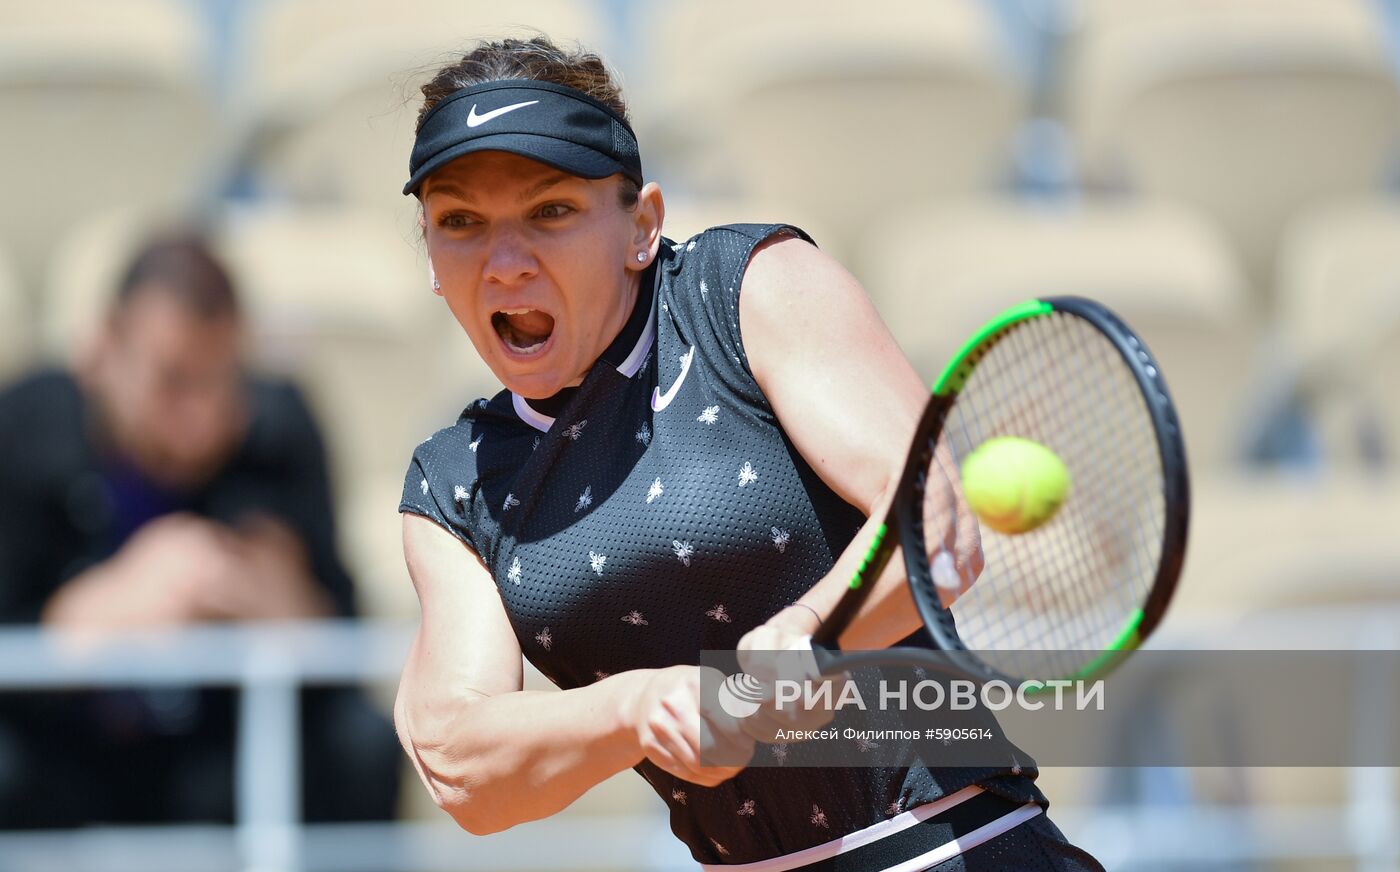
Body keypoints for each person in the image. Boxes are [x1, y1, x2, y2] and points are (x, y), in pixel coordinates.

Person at [394, 36, 1104, 870]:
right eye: (460, 222)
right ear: (431, 256)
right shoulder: (454, 483)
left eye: (551, 210)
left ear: (642, 226)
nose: (505, 263)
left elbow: (935, 527)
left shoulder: (748, 288)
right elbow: (463, 765)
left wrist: (813, 628)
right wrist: (639, 707)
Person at [0, 236, 400, 827]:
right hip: (66, 759)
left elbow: (341, 634)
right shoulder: (27, 428)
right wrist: (87, 617)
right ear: (103, 349)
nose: (202, 417)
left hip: (221, 760)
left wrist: (287, 608)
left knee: (362, 746)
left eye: (223, 381)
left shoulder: (279, 432)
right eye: (174, 382)